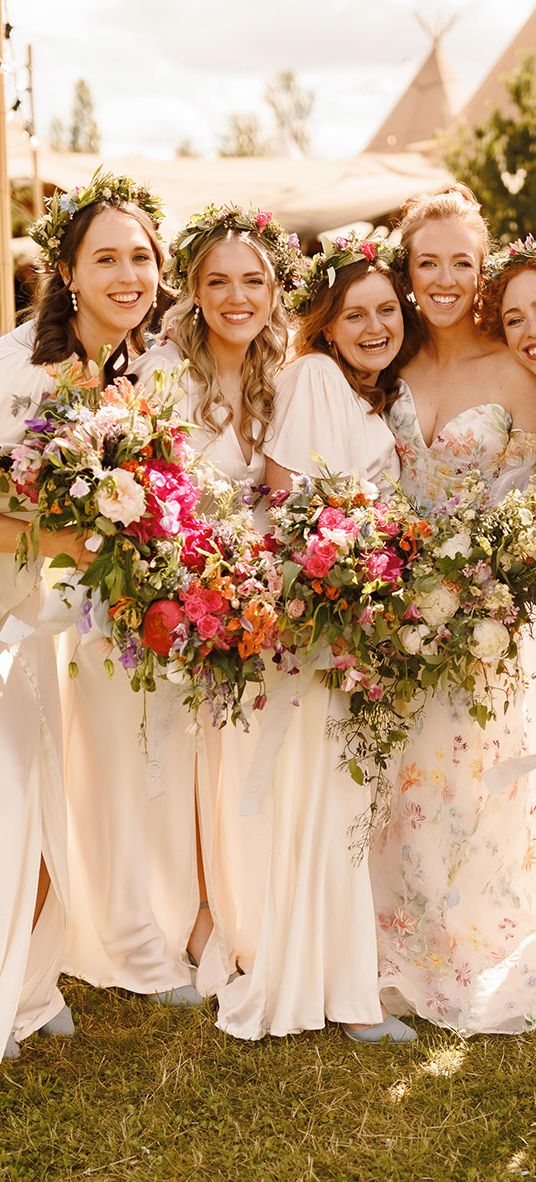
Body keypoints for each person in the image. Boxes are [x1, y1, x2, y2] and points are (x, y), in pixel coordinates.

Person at [69, 204, 291, 1000]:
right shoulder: (160, 370)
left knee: (238, 763)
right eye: (217, 281)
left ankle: (242, 910)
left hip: (261, 600)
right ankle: (180, 915)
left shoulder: (291, 371)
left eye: (253, 280)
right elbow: (144, 484)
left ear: (274, 290)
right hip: (175, 591)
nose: (237, 297)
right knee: (173, 759)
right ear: (190, 290)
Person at [216, 235, 421, 1042]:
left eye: (385, 310)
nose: (374, 326)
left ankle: (343, 977)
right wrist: (354, 591)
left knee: (342, 804)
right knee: (324, 802)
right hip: (317, 624)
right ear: (326, 325)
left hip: (353, 622)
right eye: (355, 314)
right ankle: (328, 991)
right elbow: (291, 508)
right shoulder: (314, 378)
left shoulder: (360, 392)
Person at [0, 169, 164, 1058]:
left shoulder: (121, 371)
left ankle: (27, 976)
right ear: (67, 270)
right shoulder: (18, 367)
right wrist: (70, 542)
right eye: (106, 258)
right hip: (7, 622)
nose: (128, 274)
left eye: (140, 257)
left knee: (34, 806)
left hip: (46, 628)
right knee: (10, 804)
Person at [369, 187, 536, 1035]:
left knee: (477, 784)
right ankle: (393, 944)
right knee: (402, 789)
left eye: (459, 262)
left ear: (482, 267)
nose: (441, 279)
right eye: (425, 261)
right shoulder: (385, 363)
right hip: (393, 608)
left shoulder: (515, 368)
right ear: (407, 269)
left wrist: (491, 580)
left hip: (484, 613)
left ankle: (475, 947)